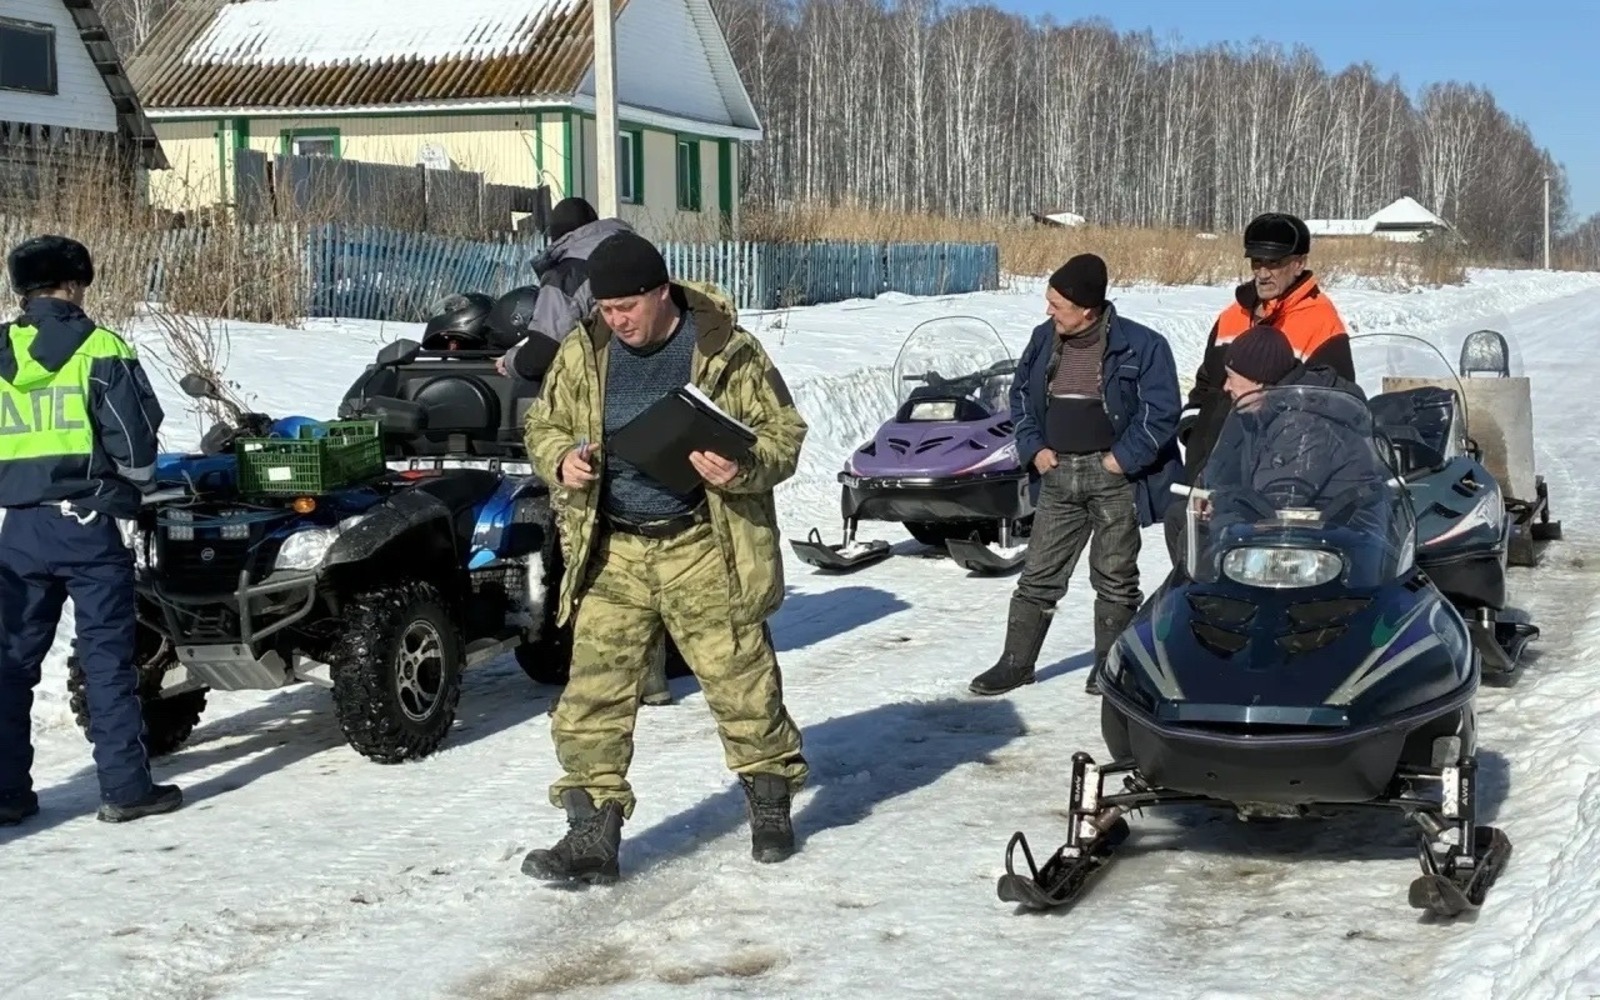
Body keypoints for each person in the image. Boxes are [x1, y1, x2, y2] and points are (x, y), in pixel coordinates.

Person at [519, 230, 809, 883]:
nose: (615, 320)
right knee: (592, 694)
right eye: (606, 308)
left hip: (702, 543)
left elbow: (784, 437)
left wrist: (743, 466)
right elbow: (544, 425)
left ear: (660, 292)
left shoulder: (725, 351)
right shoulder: (584, 350)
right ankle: (591, 833)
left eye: (627, 307)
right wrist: (561, 458)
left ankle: (769, 802)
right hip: (613, 546)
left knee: (742, 682)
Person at [0, 235, 182, 827]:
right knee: (106, 659)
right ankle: (126, 790)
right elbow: (133, 446)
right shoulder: (100, 348)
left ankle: (7, 794)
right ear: (75, 283)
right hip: (86, 523)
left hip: (18, 529)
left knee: (9, 663)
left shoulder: (0, 350)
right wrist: (136, 483)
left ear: (21, 288)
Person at [968, 253, 1182, 699]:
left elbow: (1161, 414)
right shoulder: (1043, 340)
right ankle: (1015, 664)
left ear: (1087, 309)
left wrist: (1121, 460)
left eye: (1057, 305)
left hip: (1114, 477)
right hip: (1058, 473)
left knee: (1115, 575)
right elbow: (1022, 397)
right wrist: (1035, 449)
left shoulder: (1143, 346)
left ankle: (1110, 668)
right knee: (1038, 575)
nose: (1049, 312)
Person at [1170, 211, 1353, 564]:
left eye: (1274, 262)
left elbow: (1335, 406)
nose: (1263, 272)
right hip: (1214, 466)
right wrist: (1194, 432)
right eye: (1256, 262)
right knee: (1189, 555)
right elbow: (1206, 383)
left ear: (1298, 263)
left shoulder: (1321, 321)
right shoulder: (1232, 315)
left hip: (1271, 479)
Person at [1177, 325, 1373, 564]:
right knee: (1181, 518)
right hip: (1297, 529)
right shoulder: (1265, 409)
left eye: (1231, 377)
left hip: (1330, 542)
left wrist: (1219, 507)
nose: (1226, 387)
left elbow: (1277, 503)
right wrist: (1209, 492)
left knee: (1211, 534)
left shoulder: (1303, 422)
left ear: (1259, 381)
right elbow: (1233, 470)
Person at [495, 196, 636, 382]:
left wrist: (511, 362)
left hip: (601, 385)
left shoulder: (568, 274)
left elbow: (539, 357)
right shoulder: (634, 254)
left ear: (556, 234)